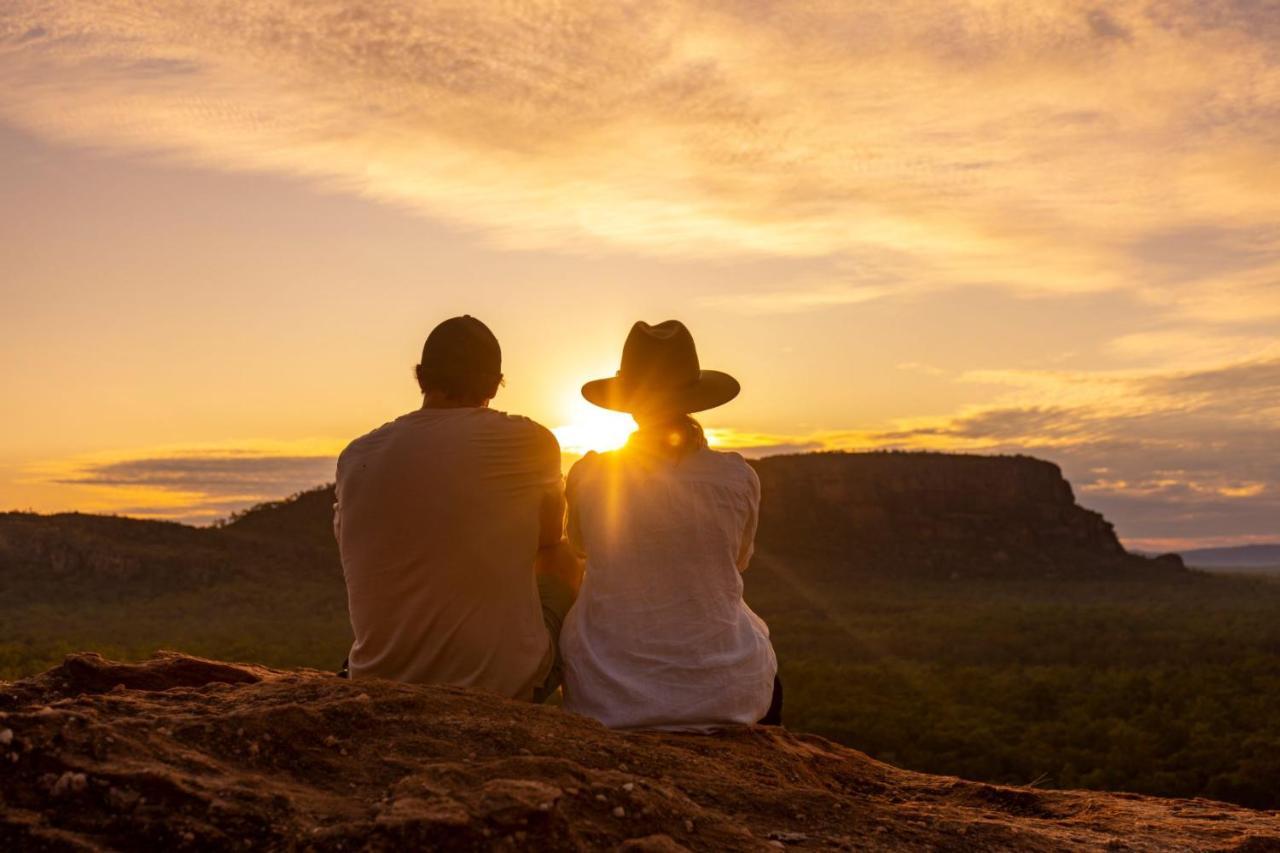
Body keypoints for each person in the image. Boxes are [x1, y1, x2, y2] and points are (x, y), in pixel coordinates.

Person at [333, 315, 581, 701]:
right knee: (565, 557)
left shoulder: (356, 455)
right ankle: (589, 717)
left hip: (376, 677)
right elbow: (549, 541)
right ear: (494, 385)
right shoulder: (530, 441)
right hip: (501, 688)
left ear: (421, 377)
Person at [560, 320, 780, 730]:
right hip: (727, 691)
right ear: (693, 400)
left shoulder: (589, 475)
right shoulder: (736, 476)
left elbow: (580, 548)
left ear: (629, 402)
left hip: (608, 693)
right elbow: (738, 560)